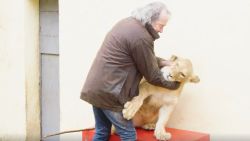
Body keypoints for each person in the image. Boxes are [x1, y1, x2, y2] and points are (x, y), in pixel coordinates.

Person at [80, 2, 180, 141]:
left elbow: (142, 56)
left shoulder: (128, 23)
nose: (161, 30)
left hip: (97, 89)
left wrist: (165, 62)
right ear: (150, 19)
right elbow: (152, 76)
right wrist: (176, 85)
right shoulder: (141, 37)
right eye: (161, 25)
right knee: (128, 135)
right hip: (111, 94)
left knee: (102, 132)